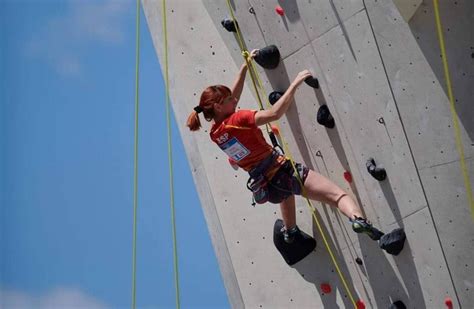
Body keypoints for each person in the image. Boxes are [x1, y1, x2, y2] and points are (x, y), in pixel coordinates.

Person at [186, 50, 383, 243]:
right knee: (337, 196)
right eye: (230, 100)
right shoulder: (239, 119)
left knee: (286, 193)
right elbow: (274, 113)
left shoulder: (216, 133)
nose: (235, 100)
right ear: (219, 107)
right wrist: (296, 83)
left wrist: (244, 69)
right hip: (284, 171)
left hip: (268, 187)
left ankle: (290, 231)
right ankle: (358, 219)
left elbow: (230, 101)